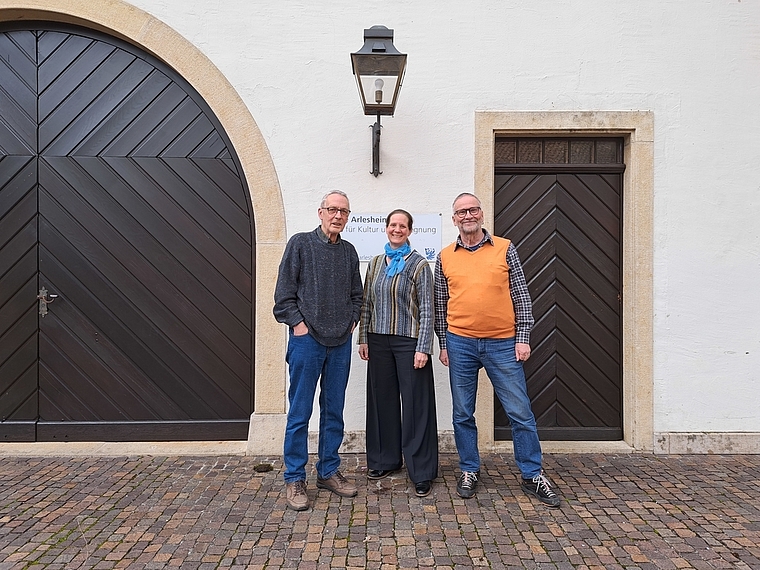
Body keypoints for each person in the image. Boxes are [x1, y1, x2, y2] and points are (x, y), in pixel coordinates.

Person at [433, 192, 561, 508]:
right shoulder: (445, 256)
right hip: (460, 342)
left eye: (472, 209)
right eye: (461, 212)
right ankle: (469, 469)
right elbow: (440, 304)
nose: (467, 216)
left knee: (519, 411)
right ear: (454, 219)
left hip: (503, 343)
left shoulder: (505, 248)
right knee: (463, 412)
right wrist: (444, 344)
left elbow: (521, 295)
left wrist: (523, 337)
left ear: (481, 214)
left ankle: (532, 474)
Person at [273, 190, 364, 511]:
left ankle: (327, 471)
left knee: (334, 410)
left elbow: (357, 294)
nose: (338, 216)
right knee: (299, 412)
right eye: (333, 210)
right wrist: (299, 326)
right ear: (320, 212)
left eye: (344, 211)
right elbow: (283, 296)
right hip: (306, 341)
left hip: (339, 343)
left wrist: (352, 321)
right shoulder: (300, 244)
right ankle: (294, 477)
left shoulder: (349, 252)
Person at [358, 209, 438, 498]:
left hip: (409, 342)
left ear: (409, 231)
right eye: (393, 225)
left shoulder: (418, 265)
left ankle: (422, 471)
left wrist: (423, 348)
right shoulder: (377, 263)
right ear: (386, 228)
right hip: (378, 340)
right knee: (382, 401)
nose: (397, 229)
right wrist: (363, 338)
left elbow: (428, 309)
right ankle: (384, 460)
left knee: (416, 405)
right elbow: (367, 303)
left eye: (402, 226)